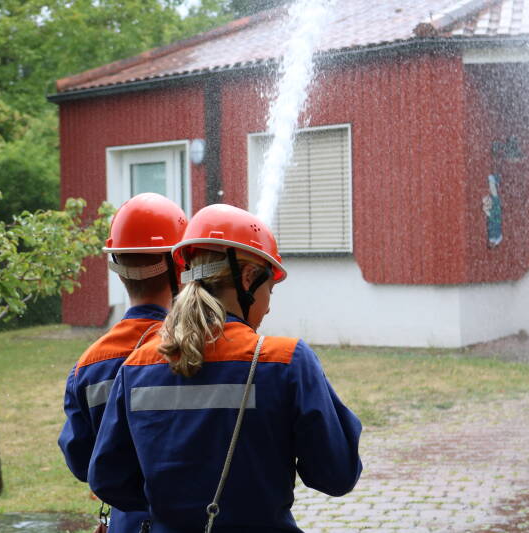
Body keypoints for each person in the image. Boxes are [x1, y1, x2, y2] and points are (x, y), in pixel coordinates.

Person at [88, 203, 363, 532]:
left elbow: (108, 479)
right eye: (269, 289)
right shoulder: (286, 361)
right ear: (248, 278)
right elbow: (337, 474)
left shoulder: (137, 366)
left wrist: (174, 504)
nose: (268, 307)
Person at [58, 192, 188, 533]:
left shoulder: (89, 365)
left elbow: (81, 460)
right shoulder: (195, 350)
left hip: (129, 522)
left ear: (118, 269)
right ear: (181, 266)